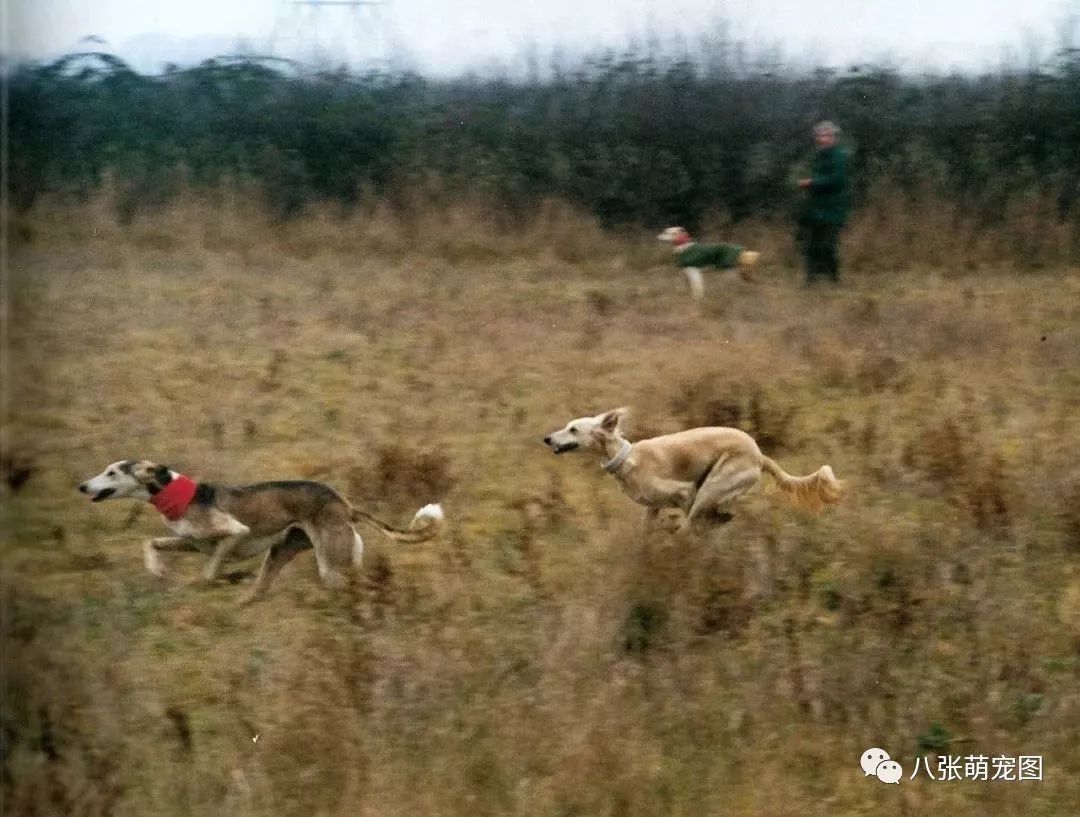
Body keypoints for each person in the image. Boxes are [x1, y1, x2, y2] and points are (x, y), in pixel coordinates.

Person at [797, 121, 851, 285]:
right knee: (812, 245)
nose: (824, 138)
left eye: (827, 135)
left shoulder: (839, 156)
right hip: (816, 207)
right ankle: (810, 280)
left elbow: (836, 180)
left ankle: (835, 280)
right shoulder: (817, 156)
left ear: (834, 138)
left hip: (833, 207)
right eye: (821, 135)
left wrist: (812, 183)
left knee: (829, 245)